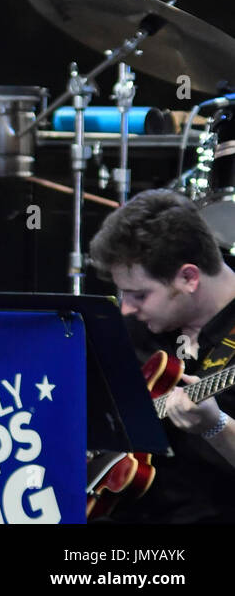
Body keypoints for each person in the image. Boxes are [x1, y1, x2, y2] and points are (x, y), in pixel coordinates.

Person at [88, 189, 235, 522]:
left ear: (188, 277)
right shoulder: (137, 326)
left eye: (140, 295)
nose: (125, 308)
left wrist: (216, 426)